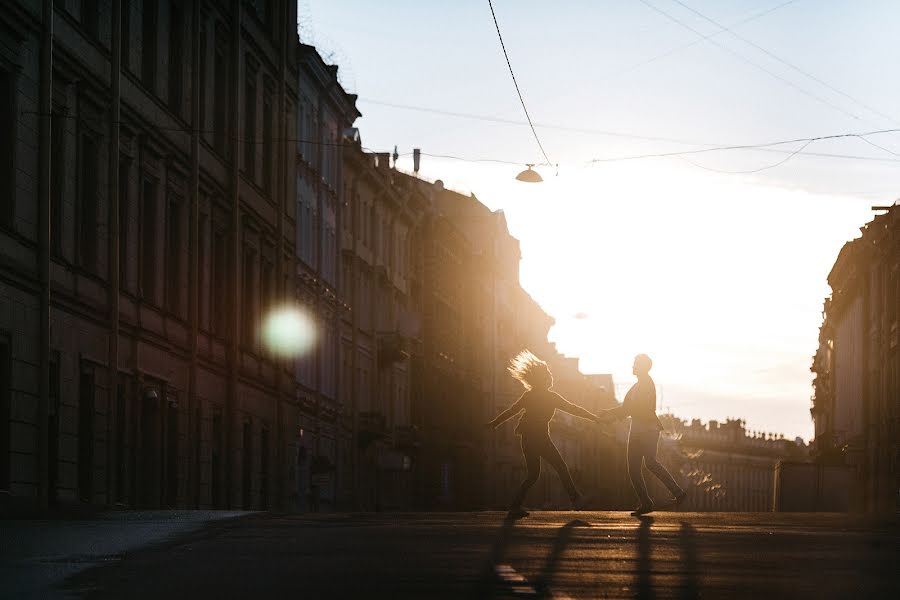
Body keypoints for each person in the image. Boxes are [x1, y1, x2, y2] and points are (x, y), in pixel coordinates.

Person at [486, 350, 597, 519]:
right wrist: (594, 417)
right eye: (548, 373)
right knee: (560, 467)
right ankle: (576, 500)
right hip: (539, 437)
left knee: (533, 474)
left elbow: (511, 412)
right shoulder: (549, 397)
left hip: (528, 438)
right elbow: (573, 409)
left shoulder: (530, 396)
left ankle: (515, 506)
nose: (551, 376)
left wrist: (494, 424)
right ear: (543, 379)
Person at [598, 353, 686, 515]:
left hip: (646, 429)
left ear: (643, 366)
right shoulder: (639, 384)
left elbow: (635, 408)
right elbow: (627, 408)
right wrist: (609, 413)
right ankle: (656, 499)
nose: (632, 366)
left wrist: (611, 416)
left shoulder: (645, 384)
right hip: (641, 428)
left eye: (635, 363)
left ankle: (663, 497)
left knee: (644, 464)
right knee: (639, 466)